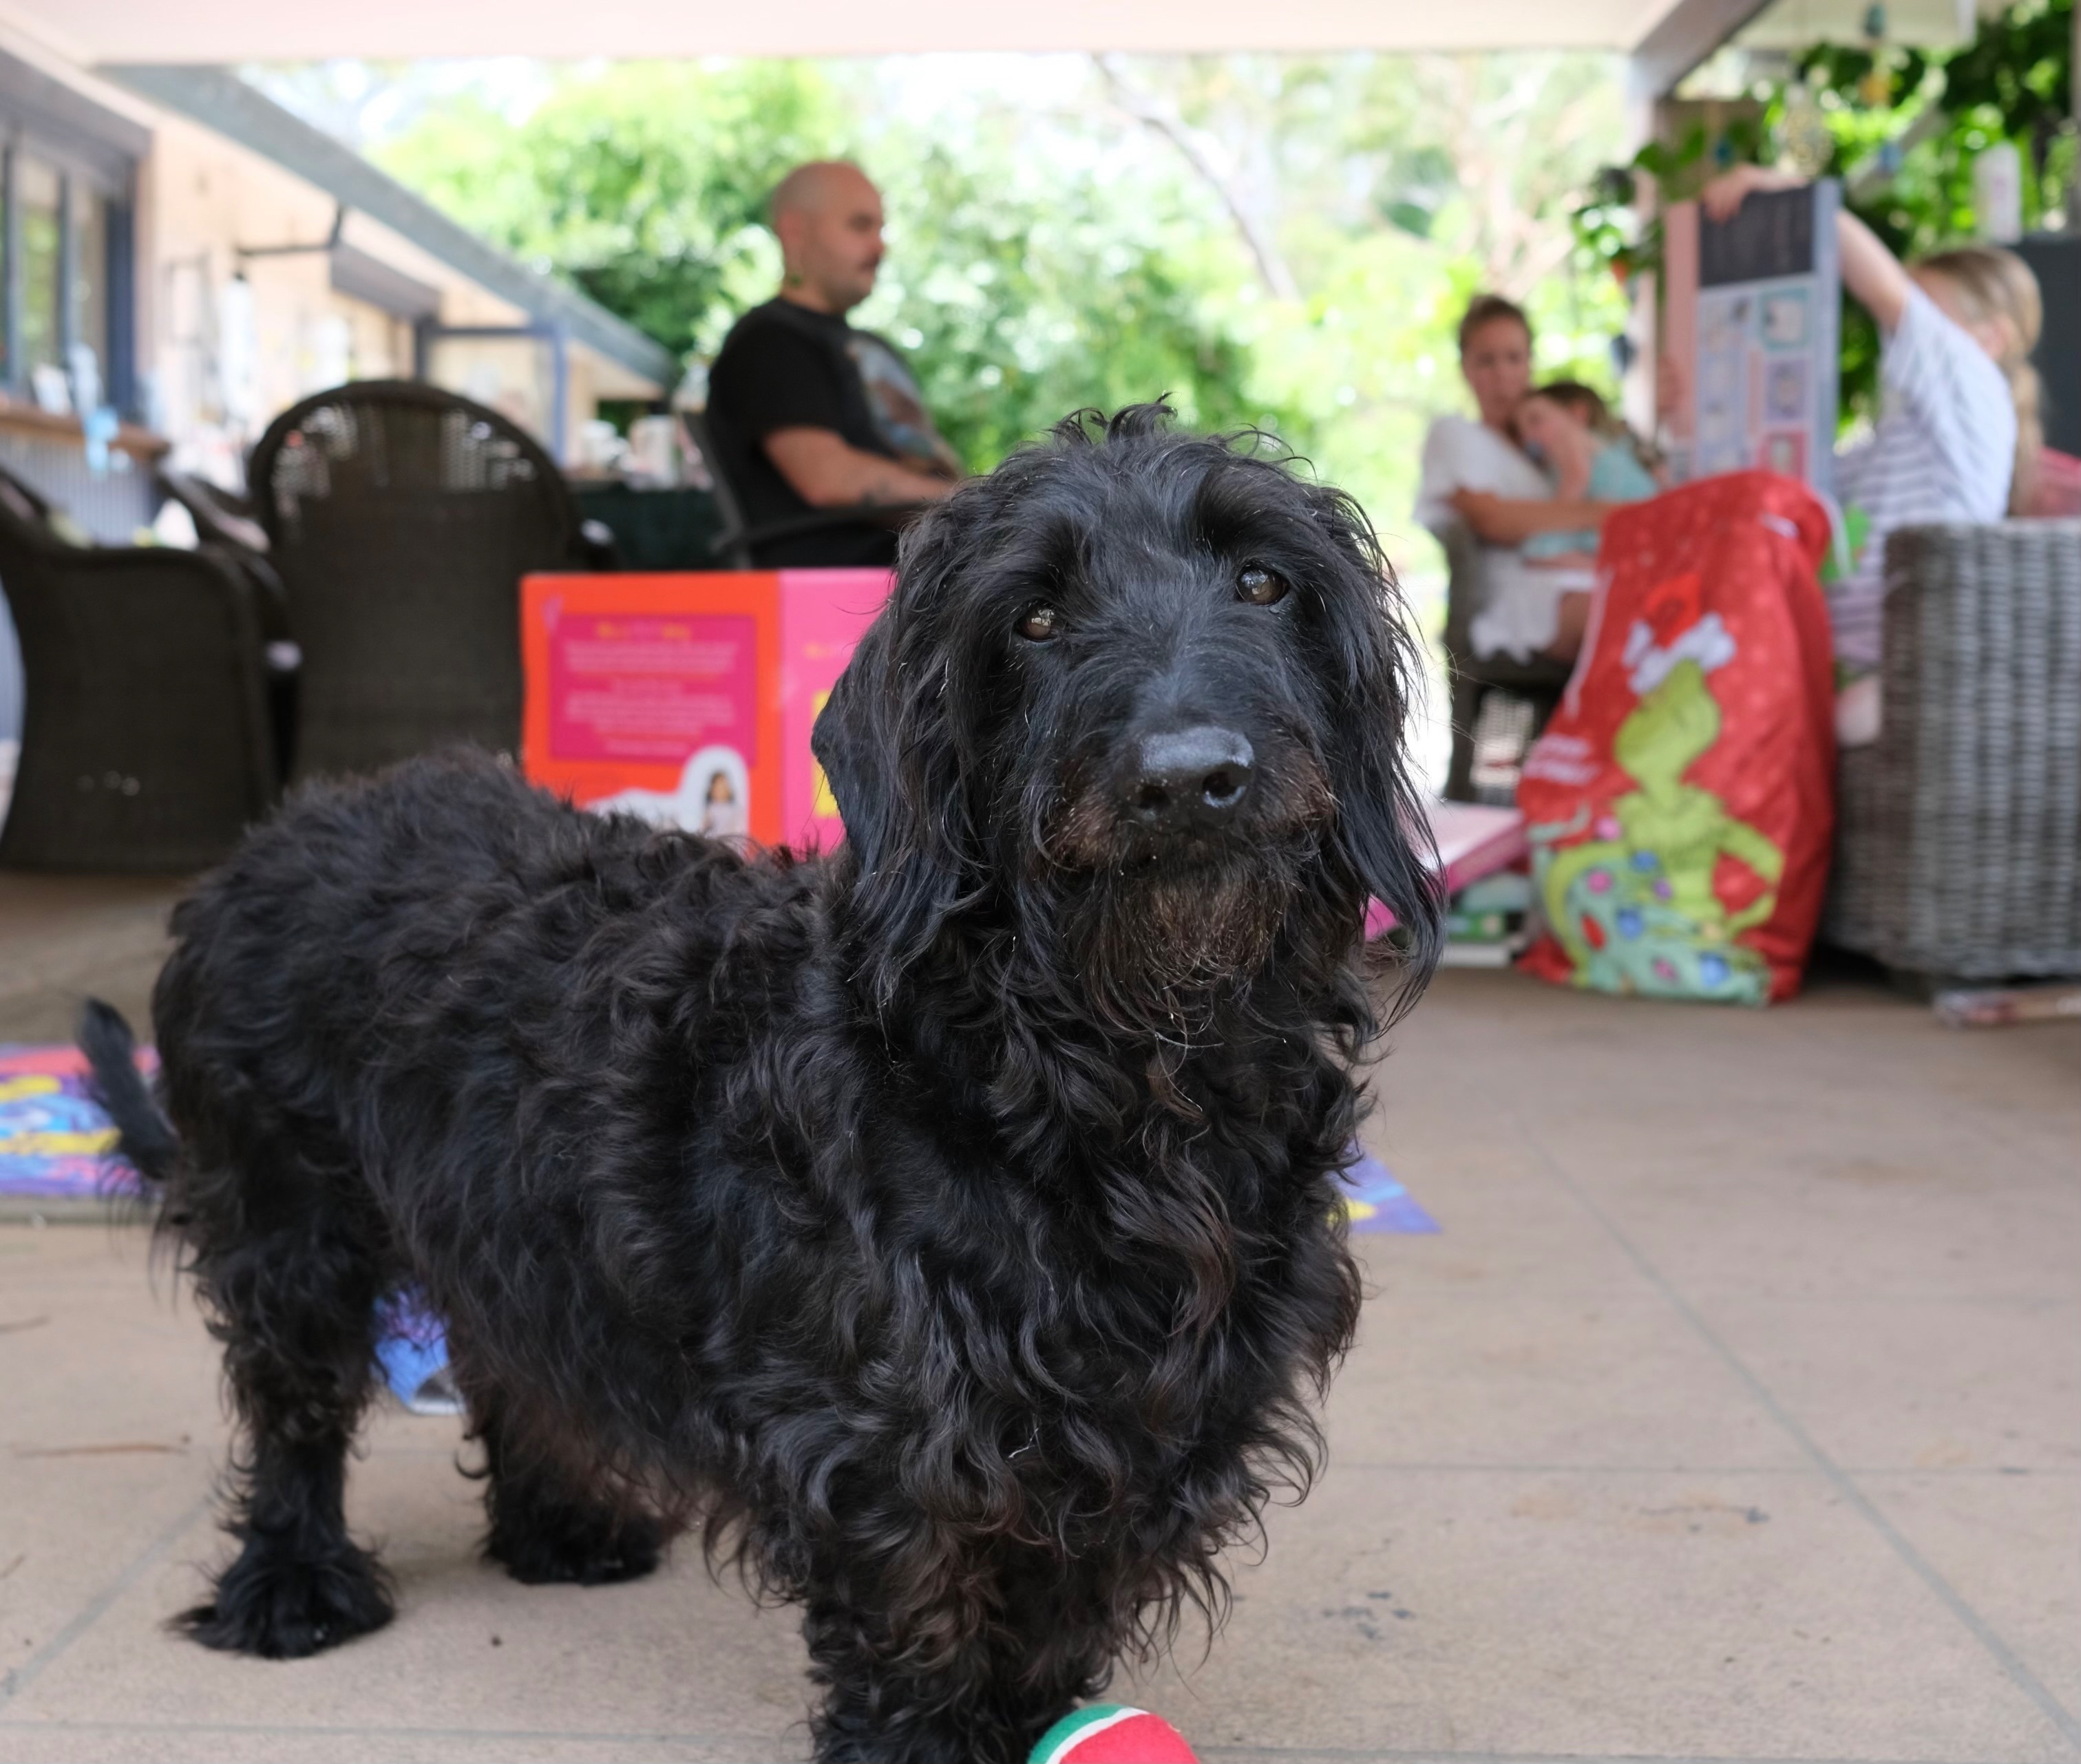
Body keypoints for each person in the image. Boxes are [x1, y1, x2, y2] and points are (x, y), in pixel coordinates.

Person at [1699, 167, 2042, 741]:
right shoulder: (1894, 438)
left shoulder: (1974, 393)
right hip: (1838, 659)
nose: (1899, 331)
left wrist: (1793, 196)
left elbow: (1883, 290)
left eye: (1929, 315)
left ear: (1990, 339)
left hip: (1904, 671)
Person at [705, 161, 958, 567]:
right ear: (795, 233)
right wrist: (970, 501)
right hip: (843, 592)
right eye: (860, 226)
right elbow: (828, 478)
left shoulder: (865, 346)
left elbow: (925, 461)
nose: (879, 247)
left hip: (911, 573)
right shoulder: (770, 342)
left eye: (880, 229)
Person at [1415, 297, 1634, 661]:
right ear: (1465, 368)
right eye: (1486, 361)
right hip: (1518, 591)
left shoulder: (1545, 448)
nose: (1502, 373)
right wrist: (1603, 513)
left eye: (1514, 358)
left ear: (1530, 364)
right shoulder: (1454, 433)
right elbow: (1492, 519)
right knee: (1625, 614)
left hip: (1581, 570)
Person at [1512, 381, 1661, 568]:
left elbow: (1541, 551)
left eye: (1535, 420)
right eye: (1521, 431)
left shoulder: (1606, 465)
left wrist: (1574, 479)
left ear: (1577, 414)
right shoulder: (1557, 474)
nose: (1528, 437)